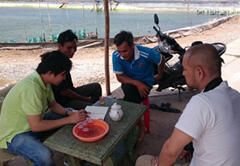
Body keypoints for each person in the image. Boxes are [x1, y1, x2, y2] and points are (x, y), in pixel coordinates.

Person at [136, 44, 240, 166]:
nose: (183, 73)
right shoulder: (235, 96)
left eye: (185, 69)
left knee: (143, 161)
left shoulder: (202, 103)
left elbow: (170, 151)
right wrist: (191, 147)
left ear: (199, 72)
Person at [0, 51, 89, 166]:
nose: (64, 78)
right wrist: (69, 119)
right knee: (45, 157)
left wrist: (68, 113)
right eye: (63, 74)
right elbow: (36, 126)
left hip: (30, 124)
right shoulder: (31, 88)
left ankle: (72, 153)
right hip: (14, 135)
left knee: (71, 112)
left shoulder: (43, 82)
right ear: (50, 73)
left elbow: (53, 105)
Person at [52, 29, 102, 110]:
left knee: (96, 87)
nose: (72, 51)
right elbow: (64, 92)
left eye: (74, 48)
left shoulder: (65, 59)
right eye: (69, 48)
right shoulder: (55, 61)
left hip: (71, 91)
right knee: (91, 107)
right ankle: (94, 111)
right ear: (59, 46)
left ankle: (97, 107)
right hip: (62, 101)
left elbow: (69, 90)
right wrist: (84, 99)